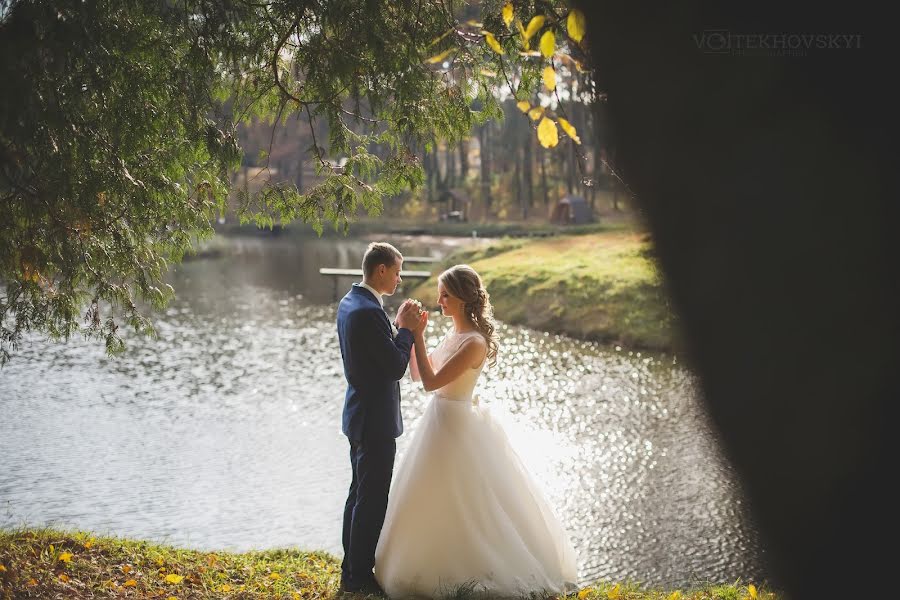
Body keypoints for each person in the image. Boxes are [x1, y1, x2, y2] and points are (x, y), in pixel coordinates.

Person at [374, 264, 577, 598]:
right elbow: (415, 373)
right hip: (437, 422)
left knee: (466, 502)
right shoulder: (453, 335)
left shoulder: (474, 343)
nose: (439, 301)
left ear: (464, 300)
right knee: (430, 496)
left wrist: (420, 336)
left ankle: (468, 569)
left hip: (455, 424)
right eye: (440, 294)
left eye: (445, 295)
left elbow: (431, 382)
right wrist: (407, 334)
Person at [336, 242, 424, 595]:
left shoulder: (351, 301)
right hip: (374, 420)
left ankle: (349, 567)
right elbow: (394, 367)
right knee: (371, 500)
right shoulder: (369, 311)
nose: (400, 278)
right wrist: (404, 329)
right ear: (382, 270)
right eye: (398, 271)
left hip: (359, 414)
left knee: (358, 494)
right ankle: (359, 576)